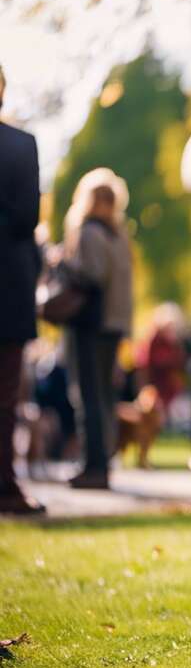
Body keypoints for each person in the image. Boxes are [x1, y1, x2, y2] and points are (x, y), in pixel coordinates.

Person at [61, 169, 133, 489]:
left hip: (92, 322)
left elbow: (92, 274)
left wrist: (60, 263)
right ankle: (102, 461)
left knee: (87, 394)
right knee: (103, 395)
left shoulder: (90, 232)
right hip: (115, 323)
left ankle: (93, 466)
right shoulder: (119, 235)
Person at [0, 66, 45, 513]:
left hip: (10, 290)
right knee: (5, 395)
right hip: (9, 288)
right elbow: (28, 216)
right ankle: (4, 485)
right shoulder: (20, 145)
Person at [134, 302, 189, 422]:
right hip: (155, 384)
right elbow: (146, 363)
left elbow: (181, 363)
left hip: (170, 385)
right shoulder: (153, 340)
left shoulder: (175, 343)